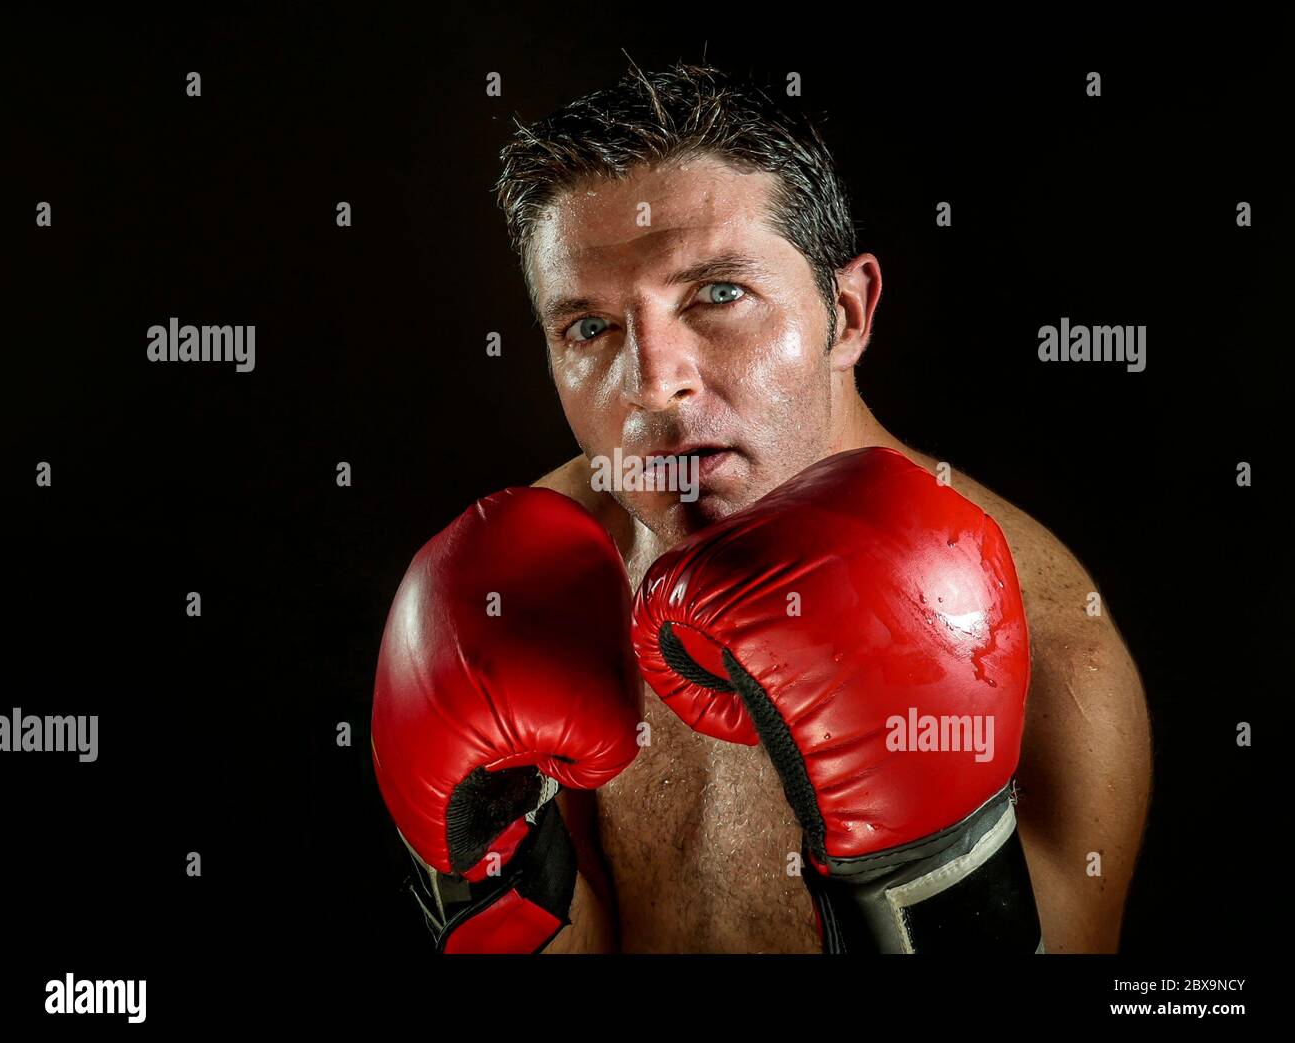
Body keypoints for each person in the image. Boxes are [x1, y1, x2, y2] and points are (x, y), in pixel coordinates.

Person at [373, 61, 1152, 954]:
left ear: (848, 312)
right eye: (589, 327)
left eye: (717, 294)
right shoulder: (533, 587)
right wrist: (488, 873)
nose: (654, 384)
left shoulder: (1048, 659)